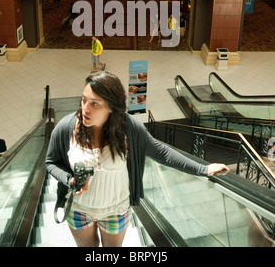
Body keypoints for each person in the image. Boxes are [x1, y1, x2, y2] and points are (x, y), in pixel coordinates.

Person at [46, 71, 229, 248]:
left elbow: (162, 152)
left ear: (111, 107)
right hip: (79, 209)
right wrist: (69, 180)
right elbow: (51, 162)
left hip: (115, 211)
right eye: (84, 100)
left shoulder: (129, 129)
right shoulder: (67, 128)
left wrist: (202, 169)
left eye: (94, 104)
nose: (84, 108)